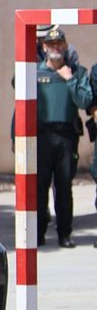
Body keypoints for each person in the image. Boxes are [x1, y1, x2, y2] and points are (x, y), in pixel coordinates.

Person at [33, 27, 93, 248]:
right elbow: (20, 103)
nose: (56, 47)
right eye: (51, 44)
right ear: (44, 47)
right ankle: (38, 233)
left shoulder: (77, 73)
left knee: (64, 187)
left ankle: (64, 234)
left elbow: (85, 101)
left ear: (66, 46)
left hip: (66, 137)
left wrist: (69, 79)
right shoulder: (34, 73)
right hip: (41, 137)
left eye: (60, 44)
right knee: (39, 188)